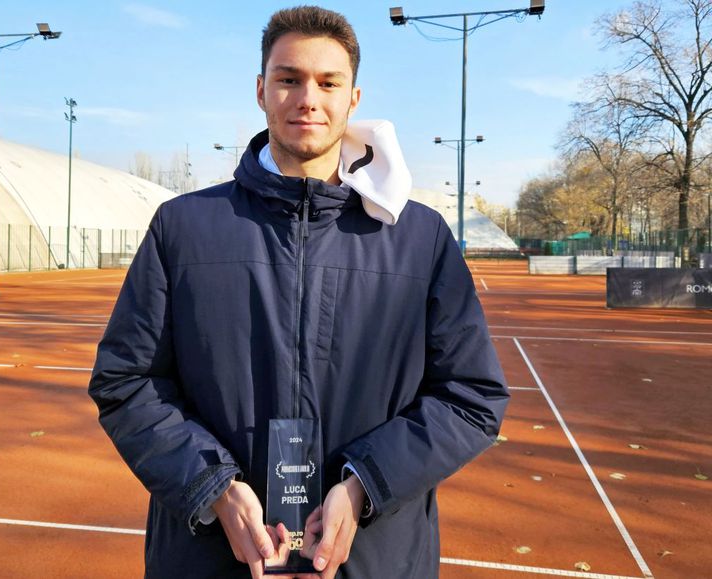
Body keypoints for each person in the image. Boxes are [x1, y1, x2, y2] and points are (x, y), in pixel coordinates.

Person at [89, 6, 508, 579]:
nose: (307, 98)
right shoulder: (182, 226)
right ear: (262, 90)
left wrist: (364, 485)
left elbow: (472, 395)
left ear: (353, 99)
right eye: (289, 79)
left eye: (328, 82)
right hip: (209, 556)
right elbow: (125, 381)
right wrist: (213, 487)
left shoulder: (419, 237)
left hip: (374, 558)